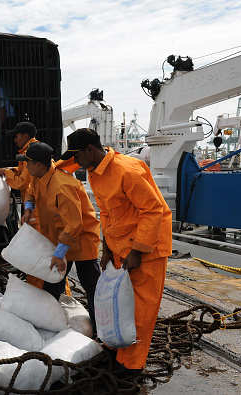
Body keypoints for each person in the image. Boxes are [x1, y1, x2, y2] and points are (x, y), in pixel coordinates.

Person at [62, 127, 172, 375]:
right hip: (122, 247)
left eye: (77, 155)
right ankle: (116, 349)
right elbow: (108, 213)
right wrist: (107, 248)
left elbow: (153, 211)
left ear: (90, 150)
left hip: (148, 249)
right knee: (119, 306)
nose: (75, 162)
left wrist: (138, 251)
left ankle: (131, 365)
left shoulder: (127, 171)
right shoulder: (95, 173)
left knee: (141, 310)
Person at [20, 142, 101, 333]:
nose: (26, 167)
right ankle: (51, 325)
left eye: (28, 163)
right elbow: (31, 192)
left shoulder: (62, 186)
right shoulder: (39, 178)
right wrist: (28, 209)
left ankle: (100, 332)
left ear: (39, 164)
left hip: (81, 243)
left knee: (92, 288)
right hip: (61, 240)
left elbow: (74, 225)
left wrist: (59, 253)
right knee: (52, 284)